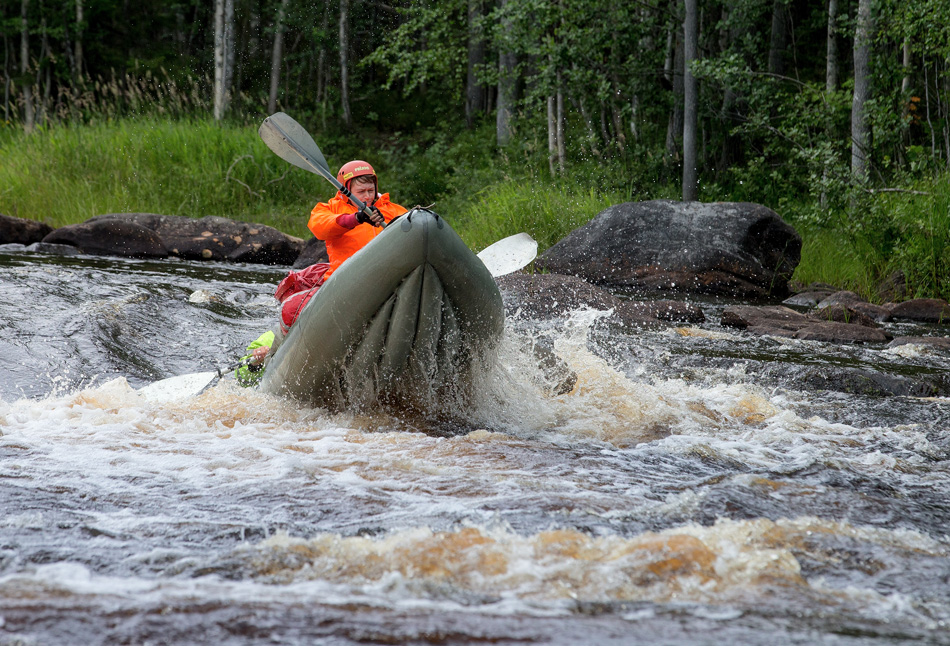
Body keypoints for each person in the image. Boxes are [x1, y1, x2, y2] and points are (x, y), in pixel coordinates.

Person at [235, 160, 407, 387]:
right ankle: (267, 357)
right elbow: (321, 227)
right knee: (292, 310)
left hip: (390, 284)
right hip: (343, 285)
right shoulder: (328, 209)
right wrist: (356, 218)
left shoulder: (394, 211)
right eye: (361, 192)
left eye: (371, 190)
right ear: (346, 190)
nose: (367, 196)